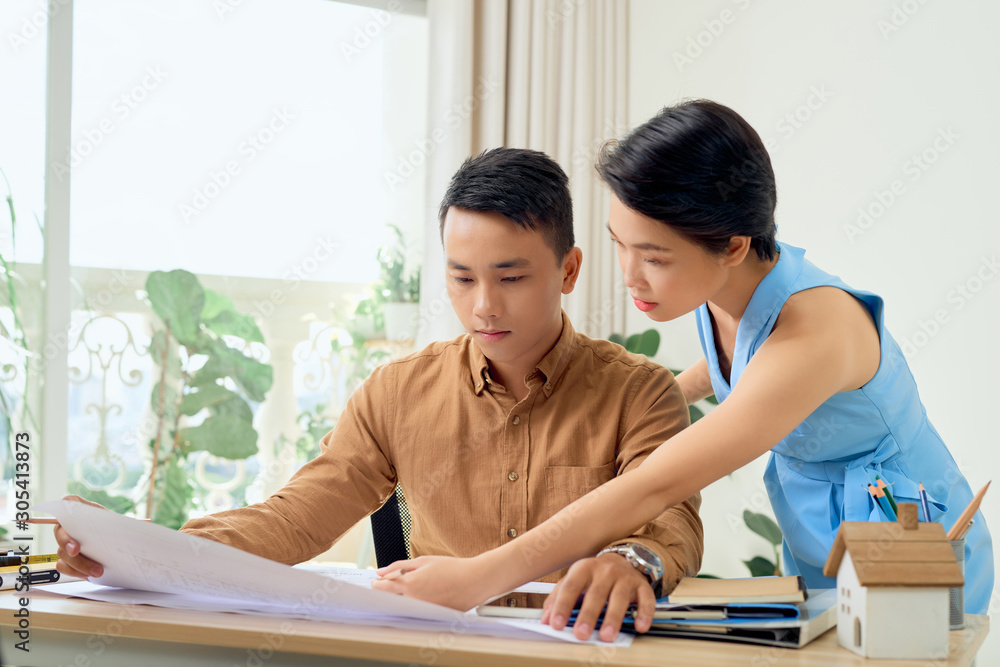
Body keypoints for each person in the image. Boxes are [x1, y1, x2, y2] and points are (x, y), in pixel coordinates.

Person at [371, 100, 995, 642]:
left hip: (909, 547)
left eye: (654, 256)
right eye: (619, 243)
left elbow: (652, 485)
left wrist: (480, 575)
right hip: (820, 536)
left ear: (731, 245)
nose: (629, 276)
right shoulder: (727, 290)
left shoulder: (817, 333)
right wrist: (639, 397)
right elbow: (734, 361)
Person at [54, 147, 705, 638]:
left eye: (510, 277)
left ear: (568, 269)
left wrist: (631, 561)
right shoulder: (399, 390)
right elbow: (297, 516)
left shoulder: (638, 392)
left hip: (584, 648)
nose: (482, 306)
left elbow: (670, 521)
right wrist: (147, 546)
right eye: (461, 277)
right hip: (447, 650)